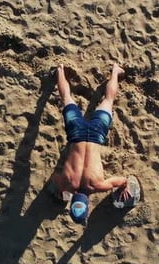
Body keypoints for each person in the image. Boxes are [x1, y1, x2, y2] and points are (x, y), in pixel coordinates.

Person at [48, 63, 132, 224]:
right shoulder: (65, 184)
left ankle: (115, 72)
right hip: (76, 132)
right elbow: (54, 176)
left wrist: (125, 188)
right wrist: (63, 190)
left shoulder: (99, 185)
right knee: (66, 98)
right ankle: (59, 70)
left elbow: (123, 181)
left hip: (96, 133)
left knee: (108, 101)